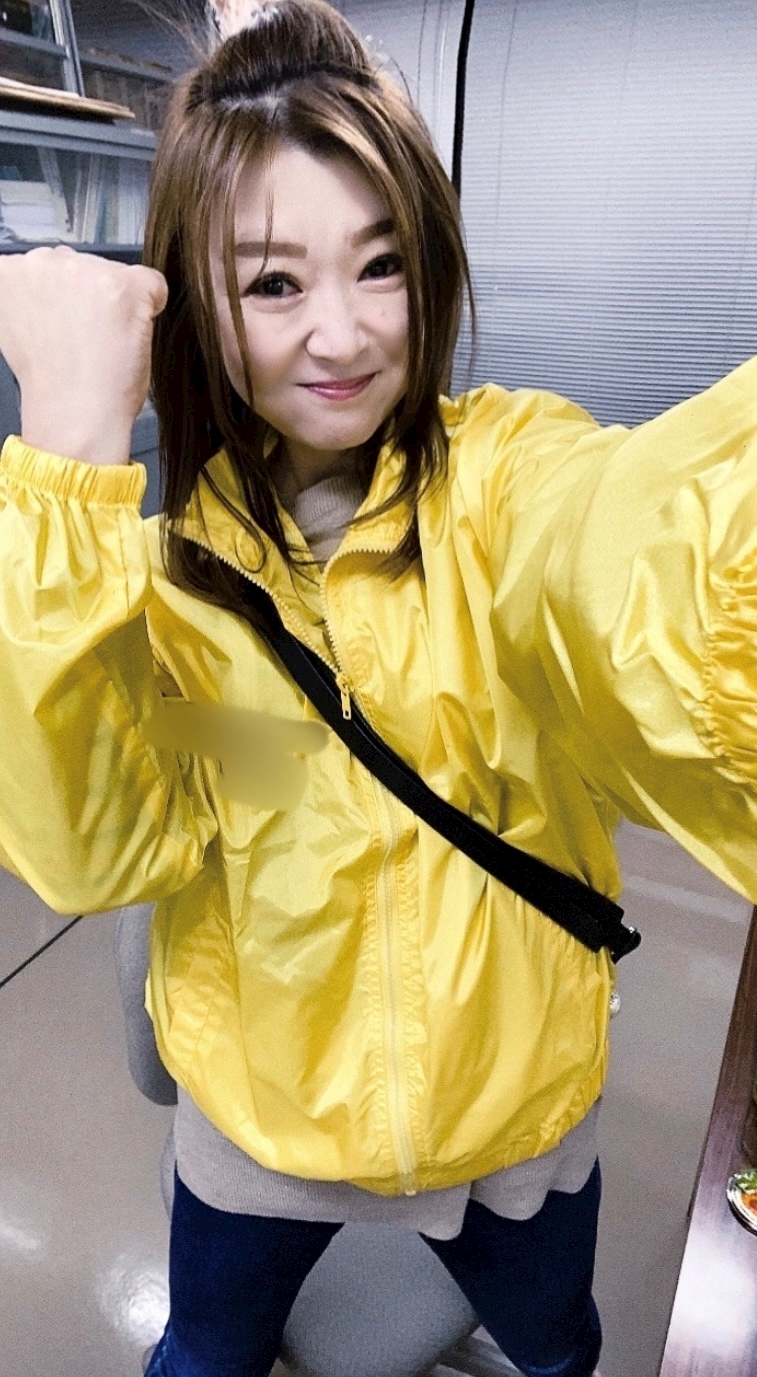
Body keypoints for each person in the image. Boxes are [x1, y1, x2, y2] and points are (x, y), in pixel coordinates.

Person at [0, 2, 755, 1375]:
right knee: (206, 1351)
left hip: (513, 1114)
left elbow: (657, 565)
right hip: (257, 1117)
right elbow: (98, 845)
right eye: (275, 284)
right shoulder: (166, 581)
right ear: (197, 302)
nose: (343, 335)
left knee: (555, 1347)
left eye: (382, 264)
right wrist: (65, 457)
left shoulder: (512, 489)